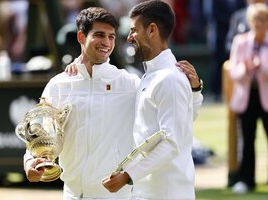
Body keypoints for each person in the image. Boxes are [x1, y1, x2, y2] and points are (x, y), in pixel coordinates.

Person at [23, 6, 203, 200]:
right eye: (99, 35)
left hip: (116, 195)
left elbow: (179, 122)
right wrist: (30, 161)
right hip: (71, 194)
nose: (107, 43)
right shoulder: (59, 85)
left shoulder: (131, 83)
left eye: (111, 36)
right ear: (81, 37)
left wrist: (194, 92)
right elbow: (37, 138)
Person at [102, 1, 197, 199]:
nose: (129, 38)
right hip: (148, 190)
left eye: (134, 30)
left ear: (152, 30)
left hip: (166, 193)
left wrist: (128, 175)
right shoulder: (153, 75)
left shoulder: (169, 78)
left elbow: (172, 142)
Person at [229, 3, 268, 194]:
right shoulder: (240, 41)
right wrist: (245, 69)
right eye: (255, 20)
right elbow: (234, 71)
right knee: (247, 140)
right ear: (249, 22)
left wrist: (262, 66)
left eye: (263, 20)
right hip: (246, 97)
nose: (259, 24)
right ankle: (246, 180)